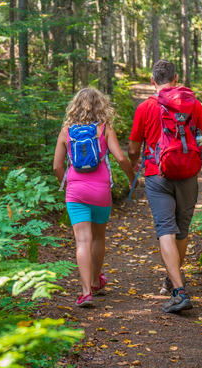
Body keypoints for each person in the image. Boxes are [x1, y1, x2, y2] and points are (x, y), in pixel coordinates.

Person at [128, 59, 202, 313]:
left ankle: (178, 290)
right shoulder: (194, 104)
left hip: (157, 174)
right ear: (176, 77)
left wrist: (135, 162)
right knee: (181, 231)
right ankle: (173, 280)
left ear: (153, 81)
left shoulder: (145, 107)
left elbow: (132, 148)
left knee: (165, 230)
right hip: (188, 174)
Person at [53, 87, 135, 308]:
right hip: (101, 191)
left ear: (74, 106)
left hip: (75, 191)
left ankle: (86, 292)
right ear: (101, 105)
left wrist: (67, 182)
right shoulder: (104, 129)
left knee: (82, 240)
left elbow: (56, 166)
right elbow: (120, 157)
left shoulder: (66, 131)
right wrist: (131, 178)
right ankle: (95, 282)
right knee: (98, 237)